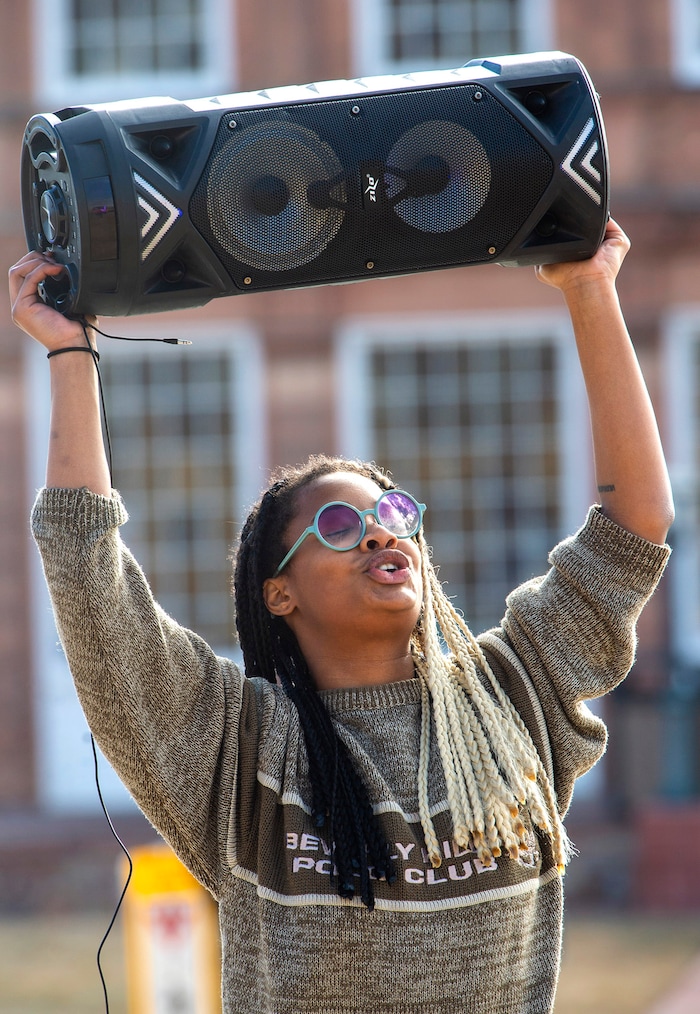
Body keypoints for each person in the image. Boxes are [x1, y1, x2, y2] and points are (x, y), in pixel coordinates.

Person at [10, 219, 674, 1014]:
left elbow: (634, 526)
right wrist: (69, 352)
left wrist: (591, 289)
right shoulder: (238, 746)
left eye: (393, 511)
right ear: (278, 594)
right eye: (339, 525)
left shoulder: (512, 693)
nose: (382, 530)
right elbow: (90, 578)